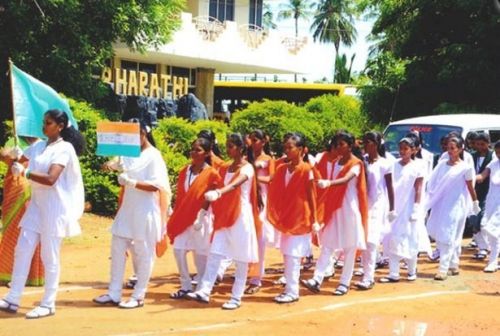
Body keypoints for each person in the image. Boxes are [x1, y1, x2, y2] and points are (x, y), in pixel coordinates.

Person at [0, 109, 85, 318]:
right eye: (43, 122)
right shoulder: (39, 146)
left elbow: (50, 178)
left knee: (50, 255)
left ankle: (48, 303)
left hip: (56, 208)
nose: (43, 126)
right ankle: (13, 297)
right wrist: (12, 158)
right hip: (37, 206)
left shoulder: (64, 149)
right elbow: (15, 160)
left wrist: (25, 172)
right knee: (23, 248)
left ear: (60, 126)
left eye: (48, 123)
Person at [93, 120, 171, 309]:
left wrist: (132, 182)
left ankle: (139, 295)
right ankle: (114, 292)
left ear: (145, 133)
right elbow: (119, 165)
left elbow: (157, 186)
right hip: (128, 210)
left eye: (138, 135)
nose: (135, 139)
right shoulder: (128, 153)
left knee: (144, 253)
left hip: (145, 211)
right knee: (117, 247)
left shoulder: (154, 156)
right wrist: (114, 166)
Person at [187, 133, 260, 310]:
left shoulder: (248, 168)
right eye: (226, 146)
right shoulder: (225, 167)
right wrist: (203, 211)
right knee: (215, 253)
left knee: (241, 258)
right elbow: (215, 186)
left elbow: (235, 184)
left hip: (240, 217)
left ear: (241, 148)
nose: (228, 150)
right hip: (223, 216)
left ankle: (236, 296)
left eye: (231, 146)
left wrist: (219, 193)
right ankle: (204, 290)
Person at [301, 131, 368, 296]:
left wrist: (329, 182)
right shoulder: (336, 161)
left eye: (341, 145)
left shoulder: (356, 164)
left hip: (349, 210)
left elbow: (346, 179)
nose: (337, 148)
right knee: (328, 244)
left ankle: (344, 282)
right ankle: (317, 279)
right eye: (336, 144)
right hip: (334, 208)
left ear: (350, 146)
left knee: (349, 247)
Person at [167, 137, 221, 299]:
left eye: (198, 150)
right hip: (183, 217)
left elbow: (210, 196)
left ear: (206, 153)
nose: (193, 153)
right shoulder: (185, 171)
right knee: (178, 250)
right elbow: (181, 195)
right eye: (192, 149)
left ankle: (202, 287)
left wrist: (201, 215)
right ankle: (185, 285)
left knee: (201, 254)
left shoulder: (211, 173)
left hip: (201, 219)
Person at [267, 132, 318, 303]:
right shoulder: (281, 169)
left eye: (290, 147)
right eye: (285, 147)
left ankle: (292, 291)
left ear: (301, 150)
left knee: (294, 255)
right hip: (287, 218)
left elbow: (312, 196)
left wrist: (315, 220)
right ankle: (290, 288)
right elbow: (275, 189)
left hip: (301, 219)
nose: (286, 150)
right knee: (287, 254)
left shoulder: (307, 170)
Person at [426, 136, 479, 280]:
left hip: (456, 206)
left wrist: (475, 203)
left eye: (453, 148)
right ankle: (454, 265)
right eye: (448, 148)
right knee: (446, 235)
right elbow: (433, 183)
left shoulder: (465, 167)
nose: (449, 151)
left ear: (460, 149)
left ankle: (443, 269)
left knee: (448, 235)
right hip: (440, 204)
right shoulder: (442, 165)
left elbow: (470, 187)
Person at [0, 138, 44, 287]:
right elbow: (4, 155)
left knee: (31, 233)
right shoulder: (15, 139)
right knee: (13, 231)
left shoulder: (45, 144)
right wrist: (12, 155)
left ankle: (30, 275)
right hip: (14, 190)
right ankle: (10, 273)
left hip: (35, 191)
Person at [355, 131, 395, 290]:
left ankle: (368, 276)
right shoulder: (361, 161)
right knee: (362, 240)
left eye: (369, 142)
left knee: (371, 241)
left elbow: (390, 187)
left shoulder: (385, 163)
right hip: (362, 205)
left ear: (377, 144)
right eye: (364, 141)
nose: (366, 145)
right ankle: (365, 270)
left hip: (378, 205)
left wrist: (392, 208)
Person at [379, 137, 423, 283]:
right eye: (401, 148)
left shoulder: (417, 167)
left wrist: (416, 207)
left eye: (406, 149)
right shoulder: (393, 165)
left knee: (410, 237)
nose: (403, 151)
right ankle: (393, 273)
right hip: (394, 207)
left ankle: (411, 270)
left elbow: (418, 188)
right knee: (392, 237)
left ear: (413, 150)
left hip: (409, 207)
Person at [245, 129, 276, 294]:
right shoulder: (245, 159)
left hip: (262, 200)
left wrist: (254, 178)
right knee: (246, 236)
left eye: (256, 140)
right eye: (251, 139)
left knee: (260, 239)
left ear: (263, 142)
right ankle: (245, 273)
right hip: (247, 199)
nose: (253, 142)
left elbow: (272, 178)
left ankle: (256, 278)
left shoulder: (268, 159)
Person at [476, 140, 500, 272]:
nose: (498, 155)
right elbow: (482, 176)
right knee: (487, 228)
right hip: (491, 202)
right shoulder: (493, 163)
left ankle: (492, 261)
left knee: (493, 230)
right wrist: (468, 178)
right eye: (497, 152)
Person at [469, 133, 493, 260]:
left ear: (488, 143)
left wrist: (470, 179)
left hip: (488, 192)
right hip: (473, 192)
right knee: (473, 220)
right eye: (477, 144)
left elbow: (483, 176)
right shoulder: (471, 157)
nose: (479, 147)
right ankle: (482, 247)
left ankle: (487, 247)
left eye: (482, 144)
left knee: (482, 220)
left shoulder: (493, 157)